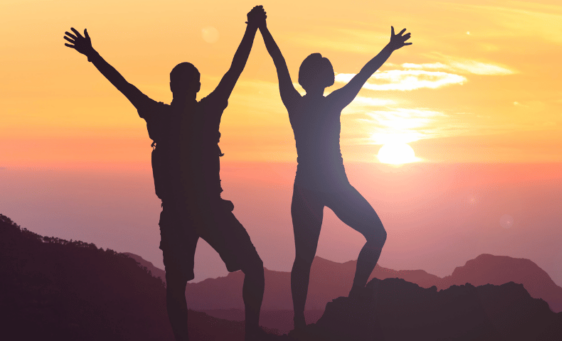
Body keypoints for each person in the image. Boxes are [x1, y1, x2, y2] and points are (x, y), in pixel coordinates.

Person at [64, 6, 267, 341]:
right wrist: (252, 28)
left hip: (179, 214)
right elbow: (235, 69)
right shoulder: (207, 111)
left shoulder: (158, 115)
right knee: (252, 269)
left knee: (177, 285)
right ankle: (250, 334)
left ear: (172, 86)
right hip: (207, 210)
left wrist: (92, 54)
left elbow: (122, 84)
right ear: (197, 86)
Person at [254, 10, 411, 328]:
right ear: (320, 77)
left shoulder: (297, 103)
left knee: (305, 258)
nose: (330, 70)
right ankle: (349, 297)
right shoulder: (330, 102)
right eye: (325, 67)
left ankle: (304, 319)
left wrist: (263, 29)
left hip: (312, 190)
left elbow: (279, 61)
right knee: (374, 236)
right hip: (331, 188)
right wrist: (389, 48)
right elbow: (363, 74)